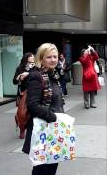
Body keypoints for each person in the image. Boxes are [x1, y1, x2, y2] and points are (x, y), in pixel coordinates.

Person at [22, 43, 64, 175]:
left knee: (52, 167)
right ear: (41, 58)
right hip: (42, 131)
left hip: (54, 129)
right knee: (42, 169)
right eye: (49, 57)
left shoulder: (54, 75)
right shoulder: (36, 76)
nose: (53, 60)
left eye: (55, 57)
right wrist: (53, 116)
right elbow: (32, 105)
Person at [13, 52, 35, 139]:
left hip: (33, 92)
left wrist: (30, 74)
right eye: (30, 62)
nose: (32, 63)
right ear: (26, 61)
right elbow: (14, 81)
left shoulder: (35, 68)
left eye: (33, 61)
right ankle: (22, 129)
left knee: (32, 112)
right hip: (22, 94)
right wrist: (19, 78)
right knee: (22, 113)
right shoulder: (20, 68)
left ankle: (31, 129)